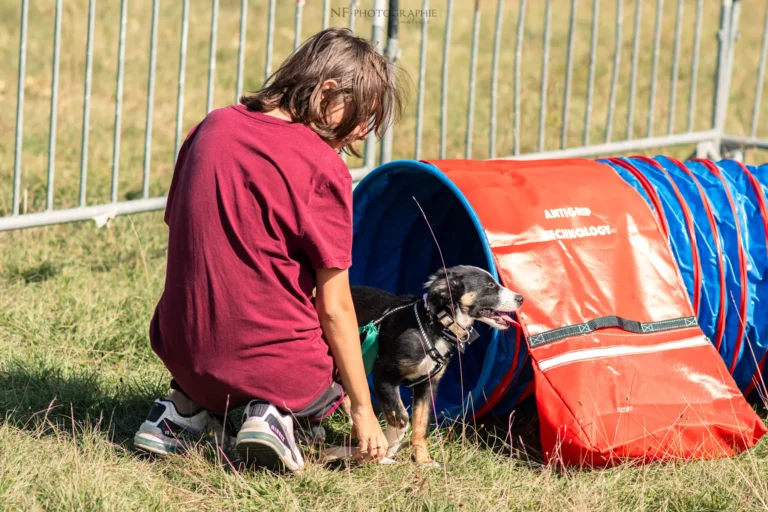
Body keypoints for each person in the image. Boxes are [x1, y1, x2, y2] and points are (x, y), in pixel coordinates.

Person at [132, 27, 405, 473]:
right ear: (327, 91)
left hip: (180, 349)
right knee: (342, 340)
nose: (361, 132)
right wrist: (362, 408)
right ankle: (276, 414)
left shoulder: (211, 126)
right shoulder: (323, 167)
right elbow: (335, 308)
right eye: (360, 117)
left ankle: (180, 411)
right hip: (278, 368)